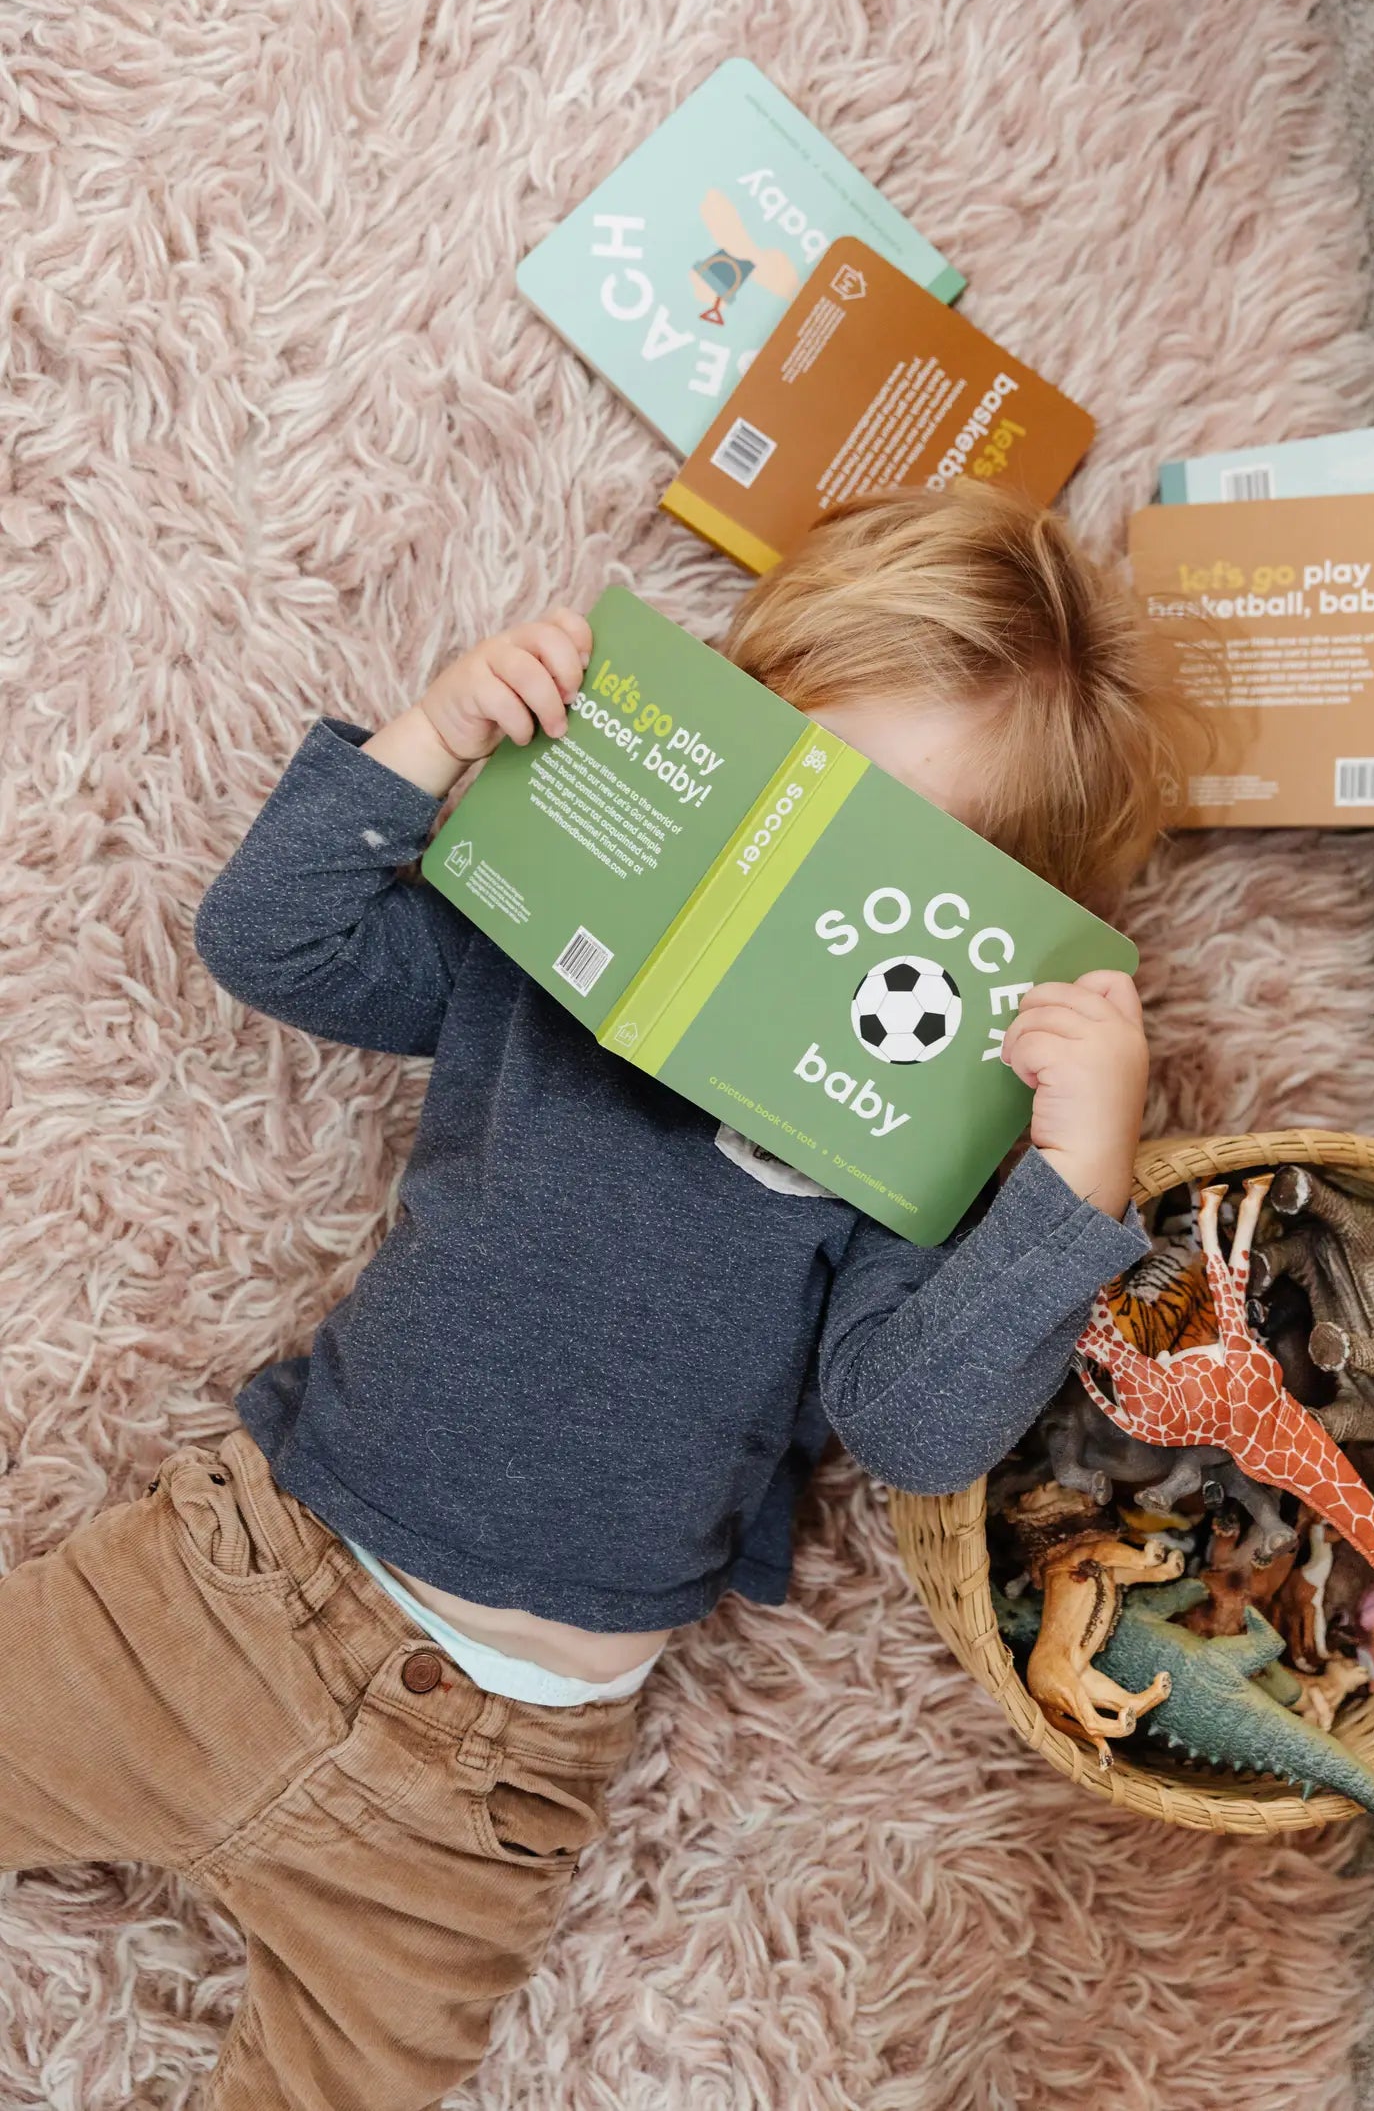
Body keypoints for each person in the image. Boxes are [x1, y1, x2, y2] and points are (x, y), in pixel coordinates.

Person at [0, 483, 1198, 2109]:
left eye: (922, 857)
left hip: (485, 1789)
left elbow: (915, 1428)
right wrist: (431, 739)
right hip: (233, 1595)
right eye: (822, 788)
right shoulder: (560, 954)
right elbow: (271, 942)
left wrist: (1075, 1180)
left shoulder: (901, 1154)